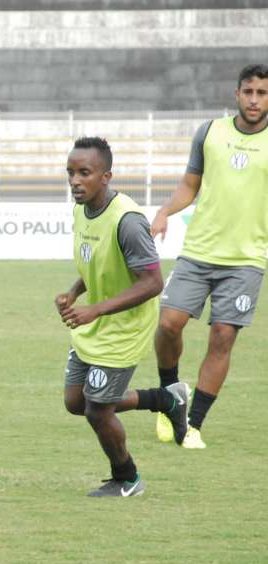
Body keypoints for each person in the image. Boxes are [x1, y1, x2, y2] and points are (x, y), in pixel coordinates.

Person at [56, 137, 189, 498]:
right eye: (70, 172)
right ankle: (166, 401)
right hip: (94, 321)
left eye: (85, 173)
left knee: (98, 411)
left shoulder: (127, 221)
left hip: (124, 327)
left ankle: (128, 478)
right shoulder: (81, 209)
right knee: (75, 402)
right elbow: (101, 261)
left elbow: (153, 282)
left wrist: (94, 309)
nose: (75, 181)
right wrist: (74, 292)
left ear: (106, 176)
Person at [150, 63, 268, 449]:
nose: (254, 99)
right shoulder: (210, 132)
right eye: (248, 92)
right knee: (169, 324)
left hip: (247, 259)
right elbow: (190, 184)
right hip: (198, 252)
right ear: (237, 94)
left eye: (262, 93)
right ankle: (171, 398)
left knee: (222, 336)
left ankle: (193, 424)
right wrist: (166, 211)